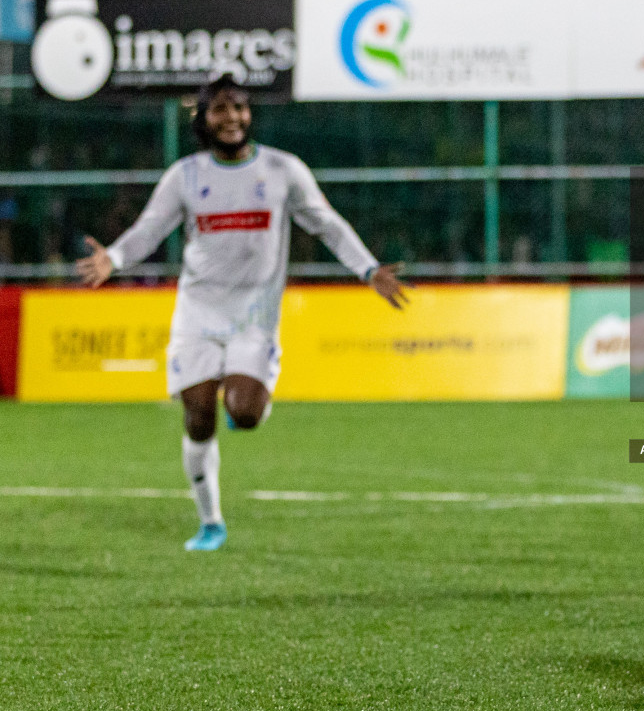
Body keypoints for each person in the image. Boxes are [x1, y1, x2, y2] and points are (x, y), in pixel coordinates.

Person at [75, 75, 407, 551]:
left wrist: (368, 268)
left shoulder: (282, 169)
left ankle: (243, 399)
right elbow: (149, 228)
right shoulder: (186, 176)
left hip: (254, 317)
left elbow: (327, 224)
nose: (232, 118)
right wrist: (115, 258)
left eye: (239, 109)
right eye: (221, 111)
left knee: (246, 414)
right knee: (197, 415)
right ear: (204, 120)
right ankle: (211, 522)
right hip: (199, 311)